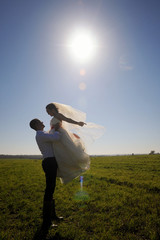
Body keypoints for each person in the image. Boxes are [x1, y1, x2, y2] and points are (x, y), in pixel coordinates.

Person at [29, 118, 63, 231]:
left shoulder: (43, 133)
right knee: (49, 189)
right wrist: (57, 129)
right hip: (49, 162)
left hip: (50, 162)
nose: (43, 122)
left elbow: (51, 134)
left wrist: (54, 128)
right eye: (40, 122)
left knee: (51, 188)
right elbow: (57, 138)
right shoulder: (40, 135)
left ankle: (52, 216)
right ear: (36, 125)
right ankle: (47, 221)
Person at [46, 103, 90, 184]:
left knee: (67, 151)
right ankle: (62, 170)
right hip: (55, 135)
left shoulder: (58, 115)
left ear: (52, 109)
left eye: (48, 112)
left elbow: (67, 119)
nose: (48, 114)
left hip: (61, 135)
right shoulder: (53, 118)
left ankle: (74, 167)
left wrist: (78, 123)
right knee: (60, 154)